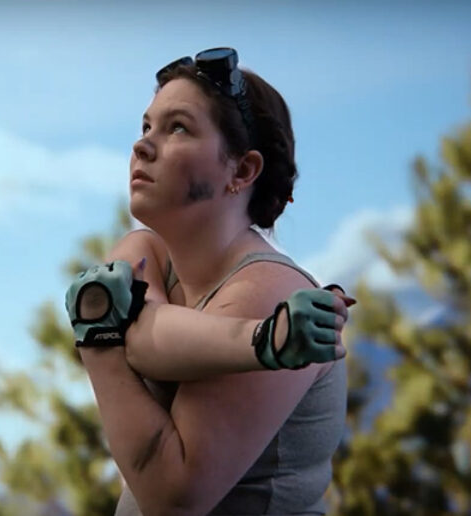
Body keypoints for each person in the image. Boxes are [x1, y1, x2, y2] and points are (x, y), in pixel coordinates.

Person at [64, 48, 350, 514]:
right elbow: (144, 342)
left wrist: (97, 338)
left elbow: (173, 496)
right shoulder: (142, 251)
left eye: (178, 127)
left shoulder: (271, 289)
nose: (142, 146)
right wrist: (261, 341)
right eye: (146, 126)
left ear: (242, 171)